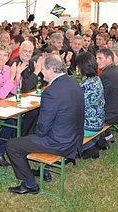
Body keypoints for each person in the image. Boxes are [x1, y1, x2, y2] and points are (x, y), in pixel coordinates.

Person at [6, 54, 84, 195]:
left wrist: (35, 137)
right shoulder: (73, 82)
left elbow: (43, 127)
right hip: (74, 137)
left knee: (12, 145)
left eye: (42, 69)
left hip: (59, 142)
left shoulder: (51, 92)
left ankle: (30, 184)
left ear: (50, 69)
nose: (41, 73)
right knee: (28, 136)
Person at [75, 52, 105, 159]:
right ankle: (94, 143)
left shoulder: (89, 85)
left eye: (78, 66)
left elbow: (76, 106)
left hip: (90, 125)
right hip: (98, 120)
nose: (77, 69)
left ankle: (88, 147)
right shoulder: (96, 79)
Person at [96, 48, 118, 142]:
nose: (97, 61)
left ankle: (91, 145)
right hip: (116, 109)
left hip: (110, 114)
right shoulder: (113, 70)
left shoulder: (107, 74)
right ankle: (107, 135)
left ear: (109, 58)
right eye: (96, 58)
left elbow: (99, 97)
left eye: (100, 58)